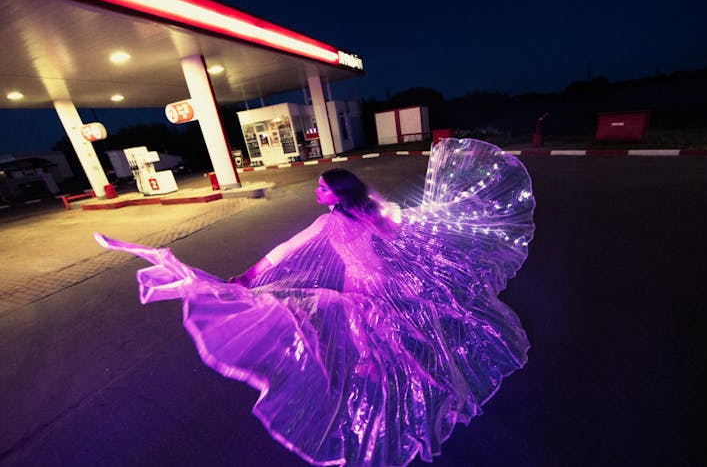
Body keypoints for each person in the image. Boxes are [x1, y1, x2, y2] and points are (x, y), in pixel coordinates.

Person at [95, 137, 535, 466]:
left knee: (373, 331)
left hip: (365, 285)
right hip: (373, 281)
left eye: (323, 189)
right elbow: (394, 230)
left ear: (336, 194)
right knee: (378, 329)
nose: (317, 193)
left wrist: (251, 275)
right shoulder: (370, 211)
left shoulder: (332, 222)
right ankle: (375, 361)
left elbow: (286, 248)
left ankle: (377, 367)